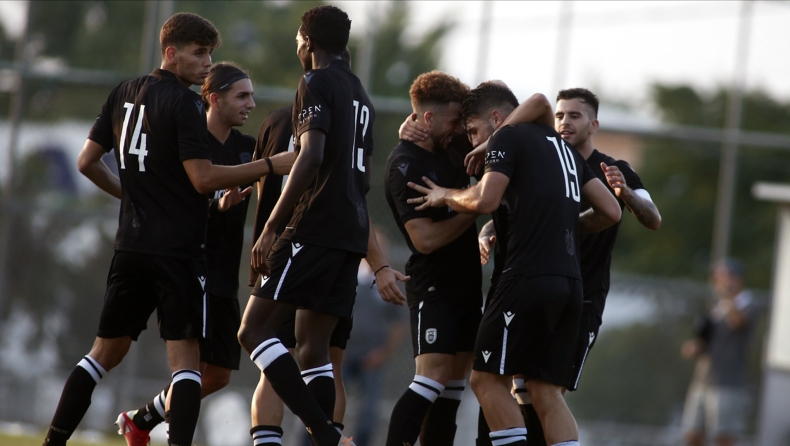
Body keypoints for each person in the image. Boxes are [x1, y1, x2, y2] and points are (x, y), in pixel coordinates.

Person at [49, 12, 290, 446]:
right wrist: (270, 165)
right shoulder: (186, 103)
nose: (206, 63)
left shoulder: (123, 91)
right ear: (171, 53)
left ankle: (54, 440)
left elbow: (87, 162)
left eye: (210, 54)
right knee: (186, 365)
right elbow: (202, 178)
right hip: (177, 252)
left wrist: (133, 196)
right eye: (199, 53)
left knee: (101, 356)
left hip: (130, 246)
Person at [407, 80, 621, 446]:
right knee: (545, 391)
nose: (473, 142)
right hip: (571, 285)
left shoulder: (506, 137)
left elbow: (485, 200)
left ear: (496, 118)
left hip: (525, 279)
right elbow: (611, 212)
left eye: (473, 131)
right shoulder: (564, 149)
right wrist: (560, 223)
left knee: (485, 380)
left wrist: (446, 195)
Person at [237, 6, 402, 446]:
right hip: (350, 232)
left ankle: (325, 435)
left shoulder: (315, 81)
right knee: (314, 351)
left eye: (297, 36)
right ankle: (325, 436)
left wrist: (272, 226)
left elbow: (310, 156)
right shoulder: (360, 93)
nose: (296, 43)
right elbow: (361, 176)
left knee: (252, 331)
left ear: (307, 41)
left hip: (315, 226)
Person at [114, 61, 261, 446]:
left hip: (226, 270)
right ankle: (170, 435)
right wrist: (216, 207)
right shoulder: (190, 144)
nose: (251, 103)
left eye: (251, 95)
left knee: (219, 374)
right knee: (193, 368)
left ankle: (142, 419)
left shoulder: (248, 148)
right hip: (192, 266)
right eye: (242, 96)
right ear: (214, 99)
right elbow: (175, 202)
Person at [383, 70, 480, 446]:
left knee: (454, 385)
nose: (460, 129)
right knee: (432, 377)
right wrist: (476, 205)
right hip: (434, 283)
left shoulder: (455, 145)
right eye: (454, 121)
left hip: (468, 279)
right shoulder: (405, 164)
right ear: (427, 118)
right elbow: (424, 240)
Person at [681, 259, 758, 446]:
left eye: (723, 277)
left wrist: (728, 297)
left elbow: (737, 323)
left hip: (727, 382)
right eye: (716, 278)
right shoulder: (716, 307)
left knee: (723, 437)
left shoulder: (748, 304)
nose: (718, 283)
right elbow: (708, 339)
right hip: (703, 379)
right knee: (692, 435)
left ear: (736, 278)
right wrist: (696, 346)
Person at [342, 234, 408, 446]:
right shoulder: (346, 276)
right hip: (342, 355)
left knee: (369, 410)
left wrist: (382, 353)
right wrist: (335, 349)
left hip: (372, 359)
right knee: (327, 401)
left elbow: (399, 324)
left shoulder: (388, 283)